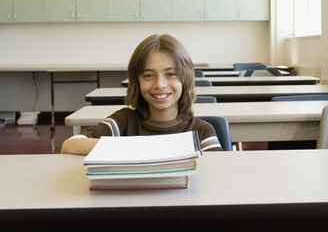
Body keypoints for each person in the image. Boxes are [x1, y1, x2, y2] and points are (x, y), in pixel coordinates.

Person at [61, 34, 222, 154]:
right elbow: (69, 145)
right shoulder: (123, 122)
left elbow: (218, 176)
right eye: (148, 75)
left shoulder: (201, 131)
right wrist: (136, 147)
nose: (160, 84)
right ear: (136, 80)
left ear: (185, 79)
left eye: (171, 73)